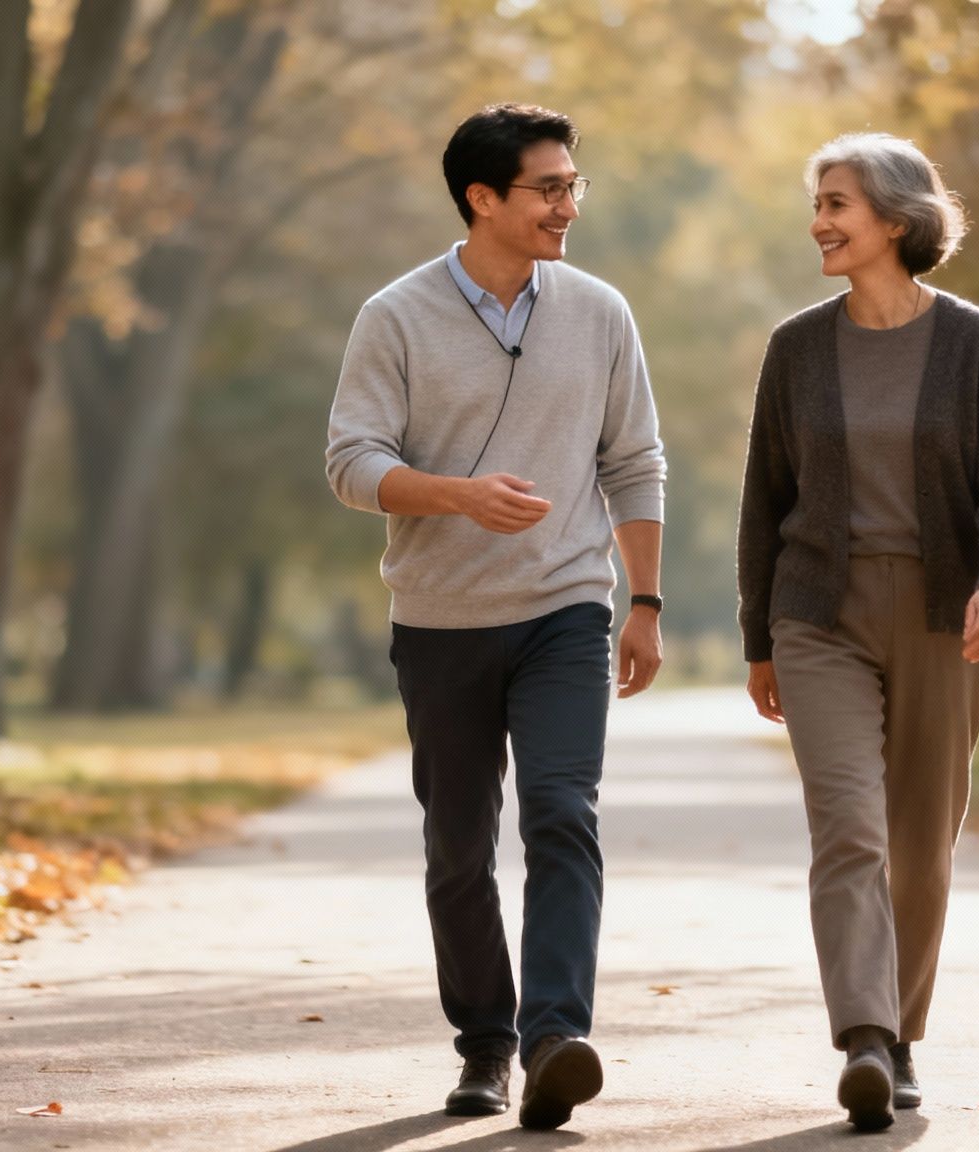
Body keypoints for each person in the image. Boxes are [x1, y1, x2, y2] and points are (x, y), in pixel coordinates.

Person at [325, 102, 667, 1131]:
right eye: (547, 189)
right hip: (440, 618)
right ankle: (484, 1043)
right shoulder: (394, 316)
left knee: (563, 813)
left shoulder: (600, 312)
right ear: (482, 198)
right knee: (457, 846)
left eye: (574, 186)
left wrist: (642, 601)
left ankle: (554, 1035)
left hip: (567, 608)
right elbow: (351, 465)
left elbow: (633, 462)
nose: (567, 205)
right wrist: (456, 495)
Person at [736, 132, 979, 1132]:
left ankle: (901, 1034)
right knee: (848, 826)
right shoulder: (794, 349)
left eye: (835, 204)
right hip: (818, 615)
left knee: (919, 841)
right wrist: (758, 638)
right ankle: (863, 1037)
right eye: (815, 204)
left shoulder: (970, 342)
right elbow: (761, 502)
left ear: (896, 220)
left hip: (940, 616)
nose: (817, 222)